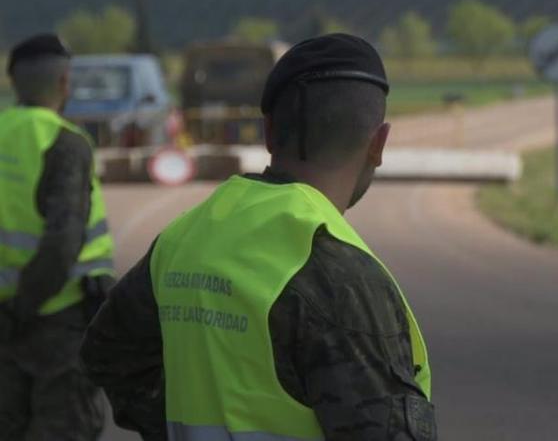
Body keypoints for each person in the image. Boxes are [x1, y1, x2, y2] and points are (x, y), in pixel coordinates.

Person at [81, 34, 436, 440]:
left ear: (267, 132)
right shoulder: (340, 275)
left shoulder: (183, 238)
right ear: (379, 144)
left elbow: (107, 351)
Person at [0, 34, 115, 439]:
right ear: (65, 82)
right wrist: (25, 306)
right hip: (57, 321)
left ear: (13, 83)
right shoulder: (65, 142)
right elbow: (62, 241)